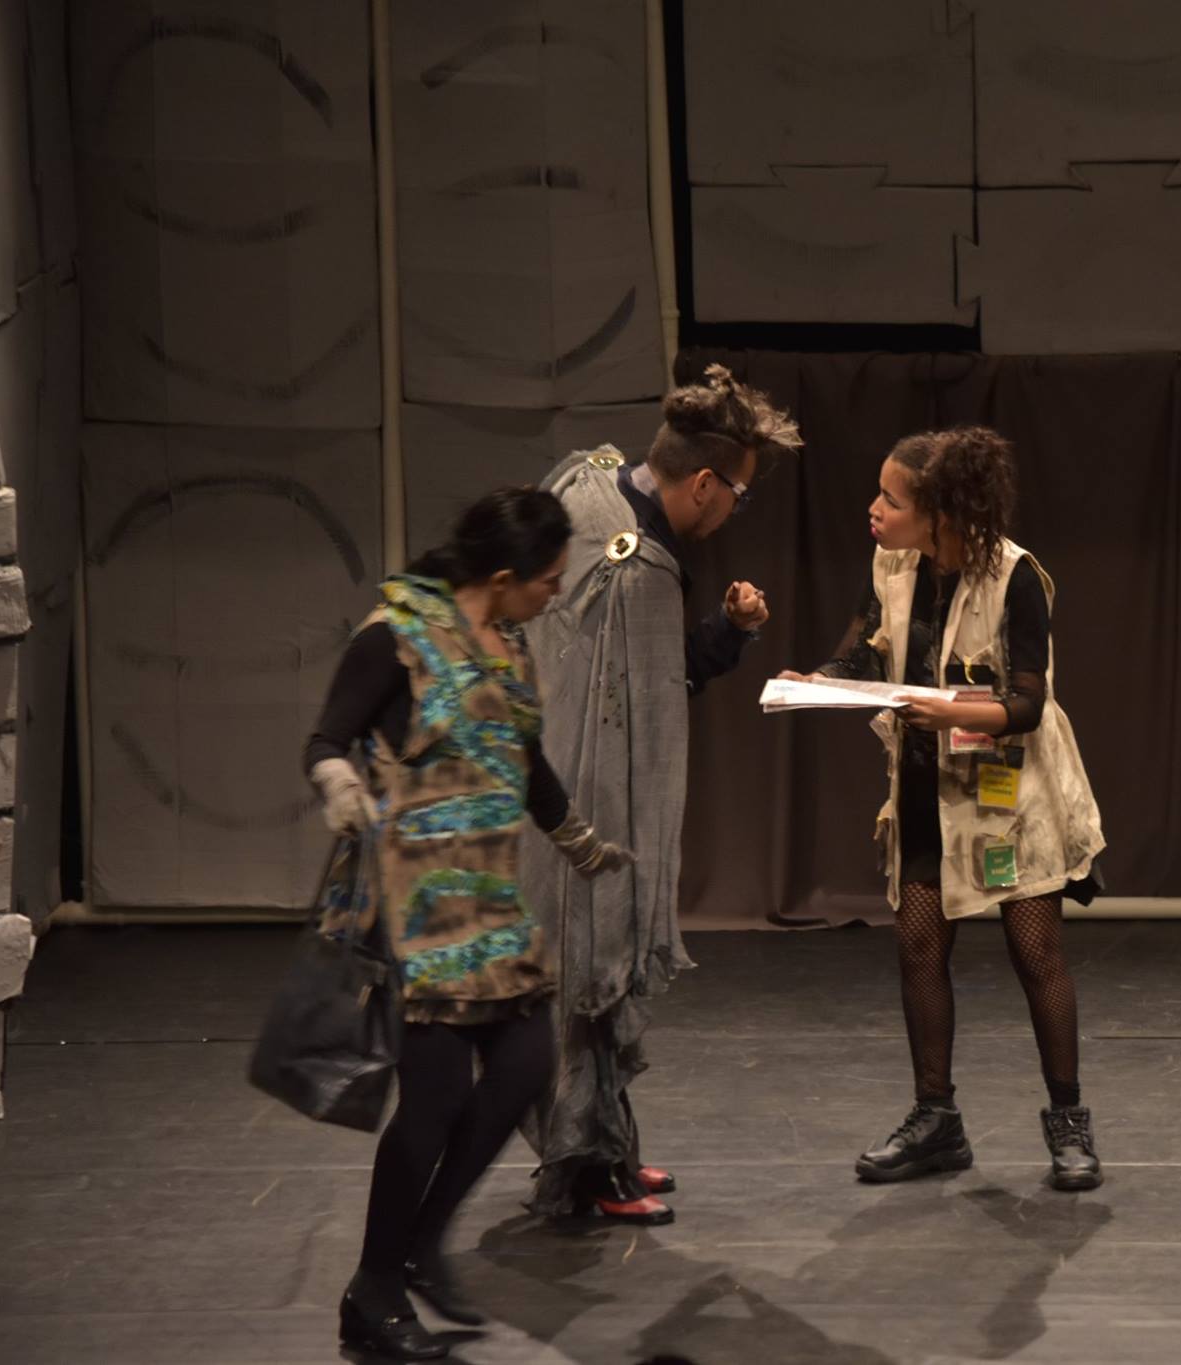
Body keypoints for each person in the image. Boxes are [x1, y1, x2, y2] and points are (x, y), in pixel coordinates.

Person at [304, 488, 630, 1360]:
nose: (555, 594)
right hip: (416, 900)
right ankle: (374, 1289)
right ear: (505, 573)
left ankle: (419, 1244)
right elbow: (326, 739)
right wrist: (339, 784)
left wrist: (579, 842)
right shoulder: (397, 635)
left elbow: (524, 758)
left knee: (525, 1065)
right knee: (437, 1100)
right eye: (549, 580)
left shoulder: (509, 643)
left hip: (487, 899)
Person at [783, 426, 1108, 1191]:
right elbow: (864, 650)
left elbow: (1027, 703)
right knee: (920, 948)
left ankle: (1069, 1121)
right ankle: (936, 1119)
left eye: (890, 500)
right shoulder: (892, 566)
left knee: (1036, 954)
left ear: (940, 514)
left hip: (1011, 796)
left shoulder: (1015, 576)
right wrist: (818, 680)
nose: (873, 510)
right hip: (927, 788)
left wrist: (950, 710)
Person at [520, 364, 802, 1224]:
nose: (733, 511)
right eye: (738, 495)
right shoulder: (641, 570)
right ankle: (583, 1166)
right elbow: (649, 695)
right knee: (594, 962)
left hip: (547, 777)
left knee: (580, 969)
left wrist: (729, 632)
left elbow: (650, 676)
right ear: (705, 483)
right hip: (590, 799)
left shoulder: (590, 482)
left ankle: (607, 1140)